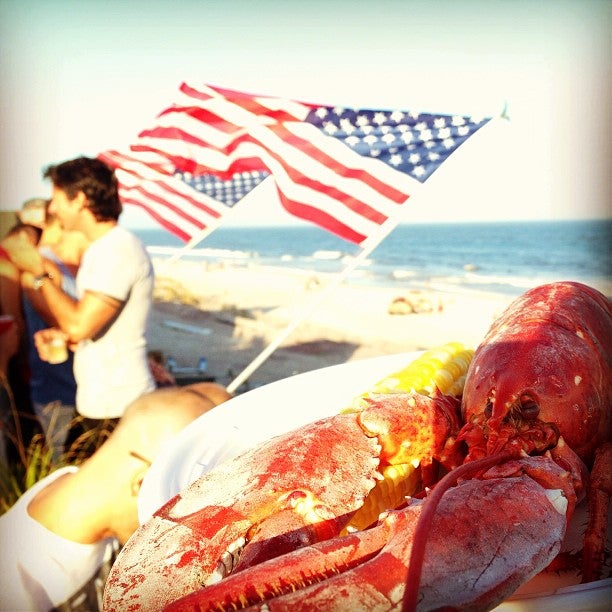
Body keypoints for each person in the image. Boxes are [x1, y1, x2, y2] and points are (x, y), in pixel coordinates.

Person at [0, 381, 233, 611]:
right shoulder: (17, 592)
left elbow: (211, 399)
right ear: (143, 483)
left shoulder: (79, 482)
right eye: (185, 508)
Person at [6, 157, 156, 432]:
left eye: (56, 199)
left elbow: (79, 325)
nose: (52, 209)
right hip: (100, 401)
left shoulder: (117, 250)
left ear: (80, 200)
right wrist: (64, 337)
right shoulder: (102, 250)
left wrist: (38, 275)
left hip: (119, 403)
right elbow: (90, 328)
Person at [20, 204, 90, 457]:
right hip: (56, 390)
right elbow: (68, 324)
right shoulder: (40, 266)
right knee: (61, 463)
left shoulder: (81, 265)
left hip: (84, 388)